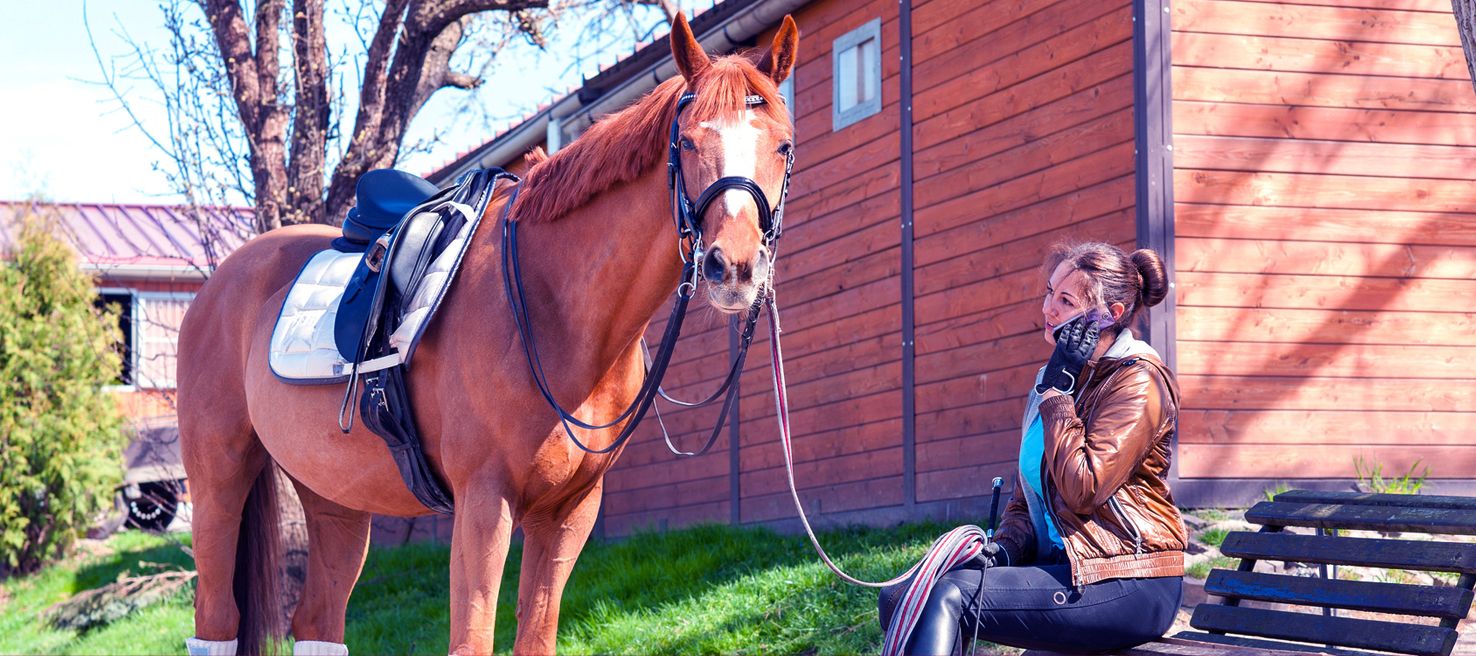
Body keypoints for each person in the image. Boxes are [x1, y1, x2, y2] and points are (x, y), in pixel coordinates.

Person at [879, 242, 1187, 654]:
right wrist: (1004, 550)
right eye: (1049, 293)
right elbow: (1029, 503)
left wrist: (1059, 394)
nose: (1049, 310)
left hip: (1129, 579)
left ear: (1110, 315)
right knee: (900, 598)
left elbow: (1084, 489)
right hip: (1066, 571)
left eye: (1066, 300)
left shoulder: (1137, 381)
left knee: (950, 595)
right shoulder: (1054, 380)